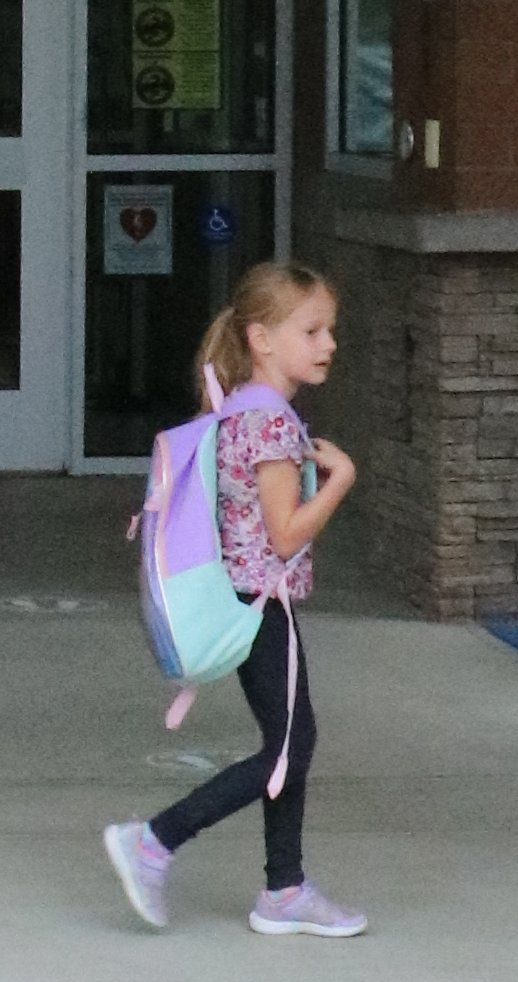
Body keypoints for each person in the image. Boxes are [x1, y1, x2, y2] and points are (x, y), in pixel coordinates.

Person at [104, 259, 366, 940]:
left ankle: (285, 888)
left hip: (249, 599)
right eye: (312, 331)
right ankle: (155, 840)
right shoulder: (272, 424)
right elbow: (284, 536)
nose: (328, 343)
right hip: (260, 604)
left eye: (329, 330)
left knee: (289, 743)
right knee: (288, 749)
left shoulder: (238, 409)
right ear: (262, 338)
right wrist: (340, 481)